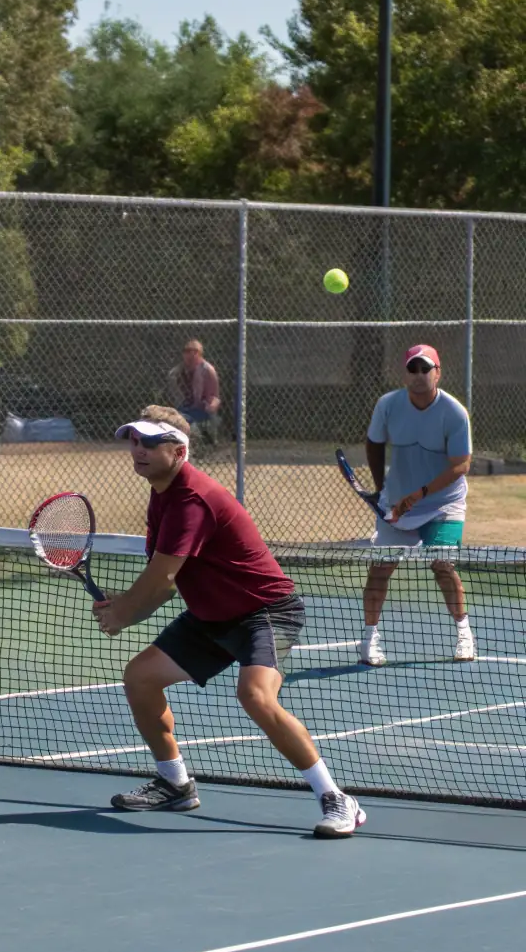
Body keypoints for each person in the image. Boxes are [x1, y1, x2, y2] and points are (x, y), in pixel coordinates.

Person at [94, 405, 365, 838]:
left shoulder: (191, 498)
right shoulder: (162, 493)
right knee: (140, 677)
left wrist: (123, 614)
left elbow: (163, 582)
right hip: (211, 617)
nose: (137, 450)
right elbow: (164, 573)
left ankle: (336, 798)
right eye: (133, 440)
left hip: (266, 610)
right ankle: (175, 783)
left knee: (255, 695)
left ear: (179, 451)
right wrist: (125, 602)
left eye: (149, 442)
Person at [359, 344, 475, 668]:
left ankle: (464, 633)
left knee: (442, 565)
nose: (420, 375)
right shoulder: (388, 405)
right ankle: (369, 639)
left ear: (438, 372)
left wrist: (419, 494)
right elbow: (374, 442)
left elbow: (461, 464)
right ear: (405, 373)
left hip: (444, 503)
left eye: (427, 368)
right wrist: (383, 490)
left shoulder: (454, 412)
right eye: (414, 368)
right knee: (381, 568)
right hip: (398, 504)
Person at [167, 340, 221, 431]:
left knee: (185, 422)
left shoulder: (207, 370)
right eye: (186, 351)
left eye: (193, 351)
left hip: (202, 408)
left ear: (199, 353)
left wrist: (210, 406)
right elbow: (172, 380)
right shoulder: (180, 370)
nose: (188, 355)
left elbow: (215, 397)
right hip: (185, 406)